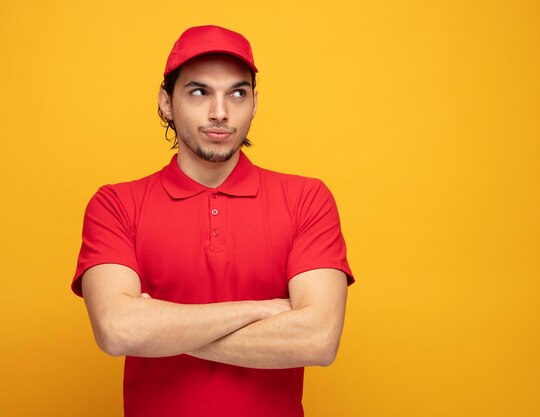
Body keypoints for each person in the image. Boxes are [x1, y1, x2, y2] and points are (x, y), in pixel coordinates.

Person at [71, 25, 354, 417]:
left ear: (254, 102)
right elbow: (118, 330)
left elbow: (319, 339)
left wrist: (157, 328)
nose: (220, 112)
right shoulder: (116, 204)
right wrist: (262, 310)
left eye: (237, 93)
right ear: (166, 102)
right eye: (199, 92)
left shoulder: (307, 199)